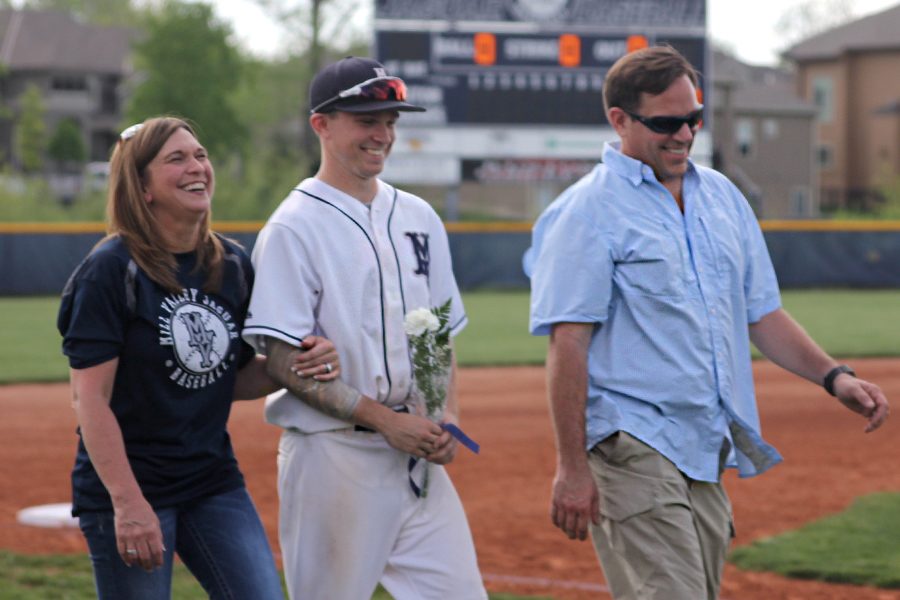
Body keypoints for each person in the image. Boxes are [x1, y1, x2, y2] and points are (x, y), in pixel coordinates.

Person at [525, 45, 890, 600]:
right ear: (619, 120)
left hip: (703, 443)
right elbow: (568, 346)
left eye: (693, 119)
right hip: (630, 442)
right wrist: (572, 469)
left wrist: (835, 377)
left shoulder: (721, 196)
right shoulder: (585, 213)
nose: (684, 134)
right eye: (666, 123)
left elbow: (760, 313)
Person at [57, 116, 341, 600]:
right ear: (142, 187)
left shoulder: (229, 265)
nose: (197, 167)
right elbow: (90, 401)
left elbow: (226, 380)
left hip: (210, 481)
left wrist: (292, 366)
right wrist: (127, 504)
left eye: (200, 155)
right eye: (176, 159)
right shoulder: (110, 271)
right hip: (131, 487)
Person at [242, 57, 487, 600]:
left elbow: (437, 336)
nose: (382, 135)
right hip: (334, 459)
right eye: (365, 120)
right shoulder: (293, 227)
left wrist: (446, 414)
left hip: (414, 463)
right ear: (321, 125)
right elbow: (283, 361)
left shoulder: (420, 216)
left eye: (390, 121)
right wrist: (384, 420)